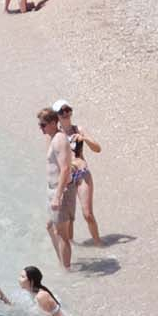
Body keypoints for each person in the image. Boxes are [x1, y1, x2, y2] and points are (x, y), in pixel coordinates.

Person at [51, 102, 101, 243]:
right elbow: (51, 158)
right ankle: (72, 248)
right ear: (56, 115)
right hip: (66, 178)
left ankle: (99, 244)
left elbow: (98, 149)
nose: (66, 113)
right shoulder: (56, 135)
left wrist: (84, 138)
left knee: (87, 214)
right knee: (69, 219)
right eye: (62, 111)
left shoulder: (78, 129)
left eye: (68, 110)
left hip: (82, 174)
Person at [40, 106, 75, 269]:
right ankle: (62, 263)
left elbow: (65, 169)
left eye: (43, 125)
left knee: (62, 234)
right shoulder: (53, 138)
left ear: (53, 123)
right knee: (50, 227)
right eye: (40, 125)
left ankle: (66, 269)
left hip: (60, 191)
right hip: (53, 189)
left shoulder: (59, 140)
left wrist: (57, 196)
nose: (41, 129)